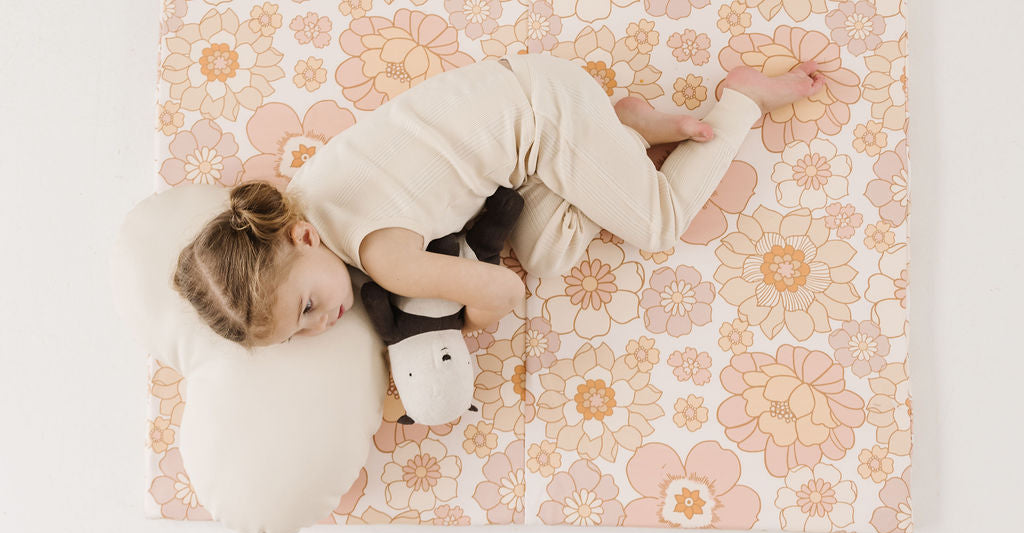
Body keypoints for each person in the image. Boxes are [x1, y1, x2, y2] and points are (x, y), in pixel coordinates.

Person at [173, 53, 825, 350]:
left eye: (308, 306)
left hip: (547, 114)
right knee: (545, 255)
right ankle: (624, 128)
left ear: (304, 241)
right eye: (302, 331)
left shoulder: (384, 257)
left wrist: (458, 325)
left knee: (657, 223)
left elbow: (500, 293)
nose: (325, 322)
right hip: (518, 103)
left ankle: (741, 98)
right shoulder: (306, 192)